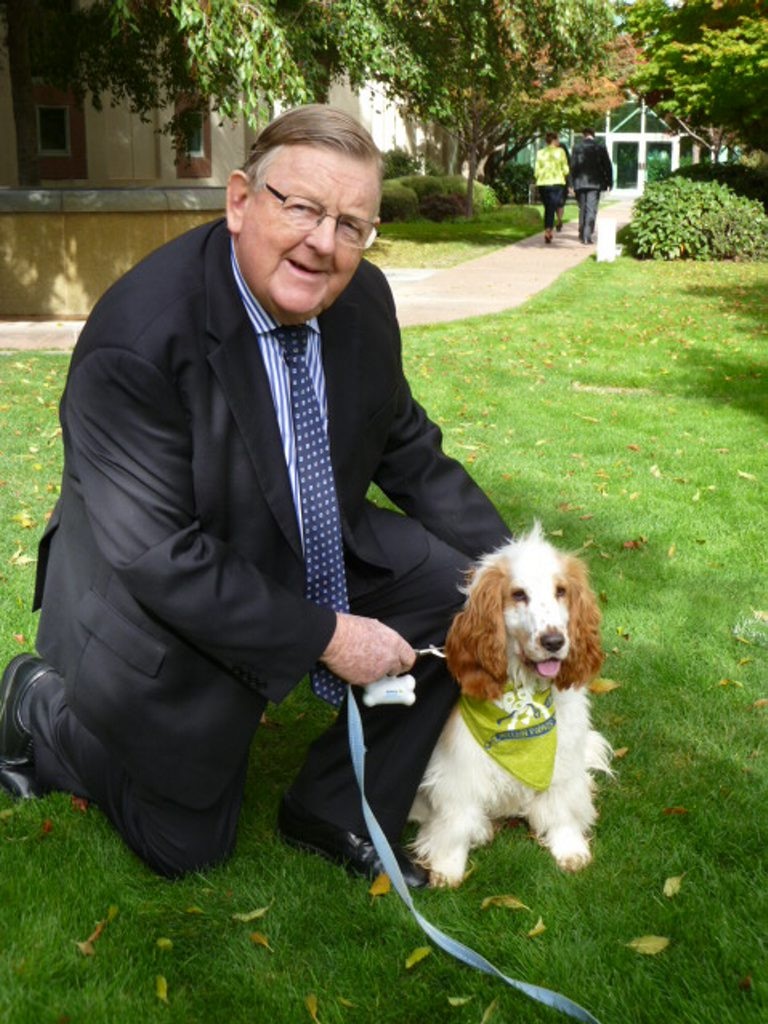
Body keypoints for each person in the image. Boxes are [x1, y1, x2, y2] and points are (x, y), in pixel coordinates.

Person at [0, 105, 509, 886]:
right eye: (301, 207)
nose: (323, 243)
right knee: (185, 845)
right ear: (240, 201)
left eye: (351, 224)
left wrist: (520, 573)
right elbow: (162, 557)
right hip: (161, 587)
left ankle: (336, 803)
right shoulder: (138, 341)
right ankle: (38, 700)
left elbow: (406, 443)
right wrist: (329, 636)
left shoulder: (362, 300)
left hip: (299, 532)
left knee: (465, 593)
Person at [569, 128, 613, 245]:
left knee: (583, 208)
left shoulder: (577, 148)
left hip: (580, 183)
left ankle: (582, 232)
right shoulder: (600, 147)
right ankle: (587, 235)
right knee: (591, 209)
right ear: (594, 135)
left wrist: (571, 183)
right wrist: (610, 182)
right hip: (595, 183)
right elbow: (607, 165)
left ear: (584, 136)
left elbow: (572, 166)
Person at [534, 132, 570, 244]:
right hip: (557, 183)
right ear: (554, 140)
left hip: (543, 183)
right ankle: (549, 229)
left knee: (548, 207)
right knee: (551, 207)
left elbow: (536, 171)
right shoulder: (561, 152)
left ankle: (548, 230)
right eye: (558, 139)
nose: (559, 142)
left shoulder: (540, 153)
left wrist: (539, 177)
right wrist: (564, 173)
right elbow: (566, 169)